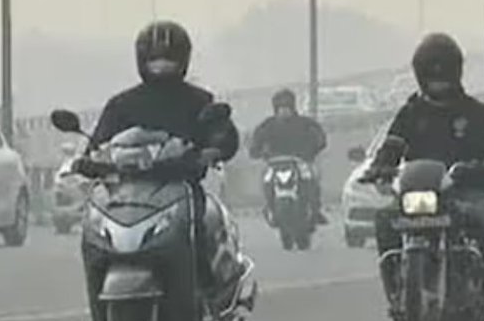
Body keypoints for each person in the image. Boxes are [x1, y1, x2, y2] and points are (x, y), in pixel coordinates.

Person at [365, 33, 484, 316]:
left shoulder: (475, 112)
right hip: (419, 192)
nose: (438, 82)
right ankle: (396, 287)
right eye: (432, 75)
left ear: (455, 73)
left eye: (443, 75)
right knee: (385, 221)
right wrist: (379, 167)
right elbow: (392, 144)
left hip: (464, 190)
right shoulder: (411, 113)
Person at [87, 21, 239, 292]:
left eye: (168, 61)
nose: (161, 68)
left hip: (180, 187)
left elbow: (221, 131)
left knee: (203, 231)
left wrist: (212, 149)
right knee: (94, 236)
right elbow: (99, 143)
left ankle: (208, 292)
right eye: (155, 61)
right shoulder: (122, 104)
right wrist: (87, 160)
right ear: (141, 61)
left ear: (183, 61)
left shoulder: (199, 100)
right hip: (126, 192)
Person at [249, 88, 329, 224]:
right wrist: (256, 151)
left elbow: (319, 136)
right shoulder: (267, 125)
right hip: (274, 164)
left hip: (301, 162)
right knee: (266, 180)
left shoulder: (305, 123)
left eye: (287, 107)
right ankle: (269, 206)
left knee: (312, 178)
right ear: (275, 109)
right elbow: (256, 141)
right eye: (280, 107)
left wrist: (313, 150)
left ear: (293, 107)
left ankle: (315, 210)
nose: (284, 111)